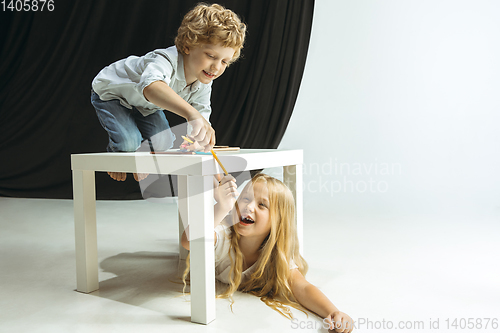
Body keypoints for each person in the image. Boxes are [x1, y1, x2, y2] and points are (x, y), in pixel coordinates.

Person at [90, 4, 246, 181]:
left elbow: (201, 120)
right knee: (128, 143)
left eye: (224, 62)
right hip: (113, 94)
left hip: (145, 106)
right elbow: (152, 88)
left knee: (164, 142)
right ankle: (116, 154)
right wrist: (192, 114)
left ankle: (134, 155)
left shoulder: (203, 82)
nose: (216, 67)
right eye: (211, 56)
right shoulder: (166, 59)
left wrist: (197, 141)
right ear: (188, 46)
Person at [181, 174, 354, 332]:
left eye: (262, 204)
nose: (249, 206)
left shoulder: (276, 256)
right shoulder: (223, 234)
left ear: (278, 221)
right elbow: (187, 241)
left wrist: (333, 312)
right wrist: (221, 206)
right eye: (245, 198)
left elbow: (302, 287)